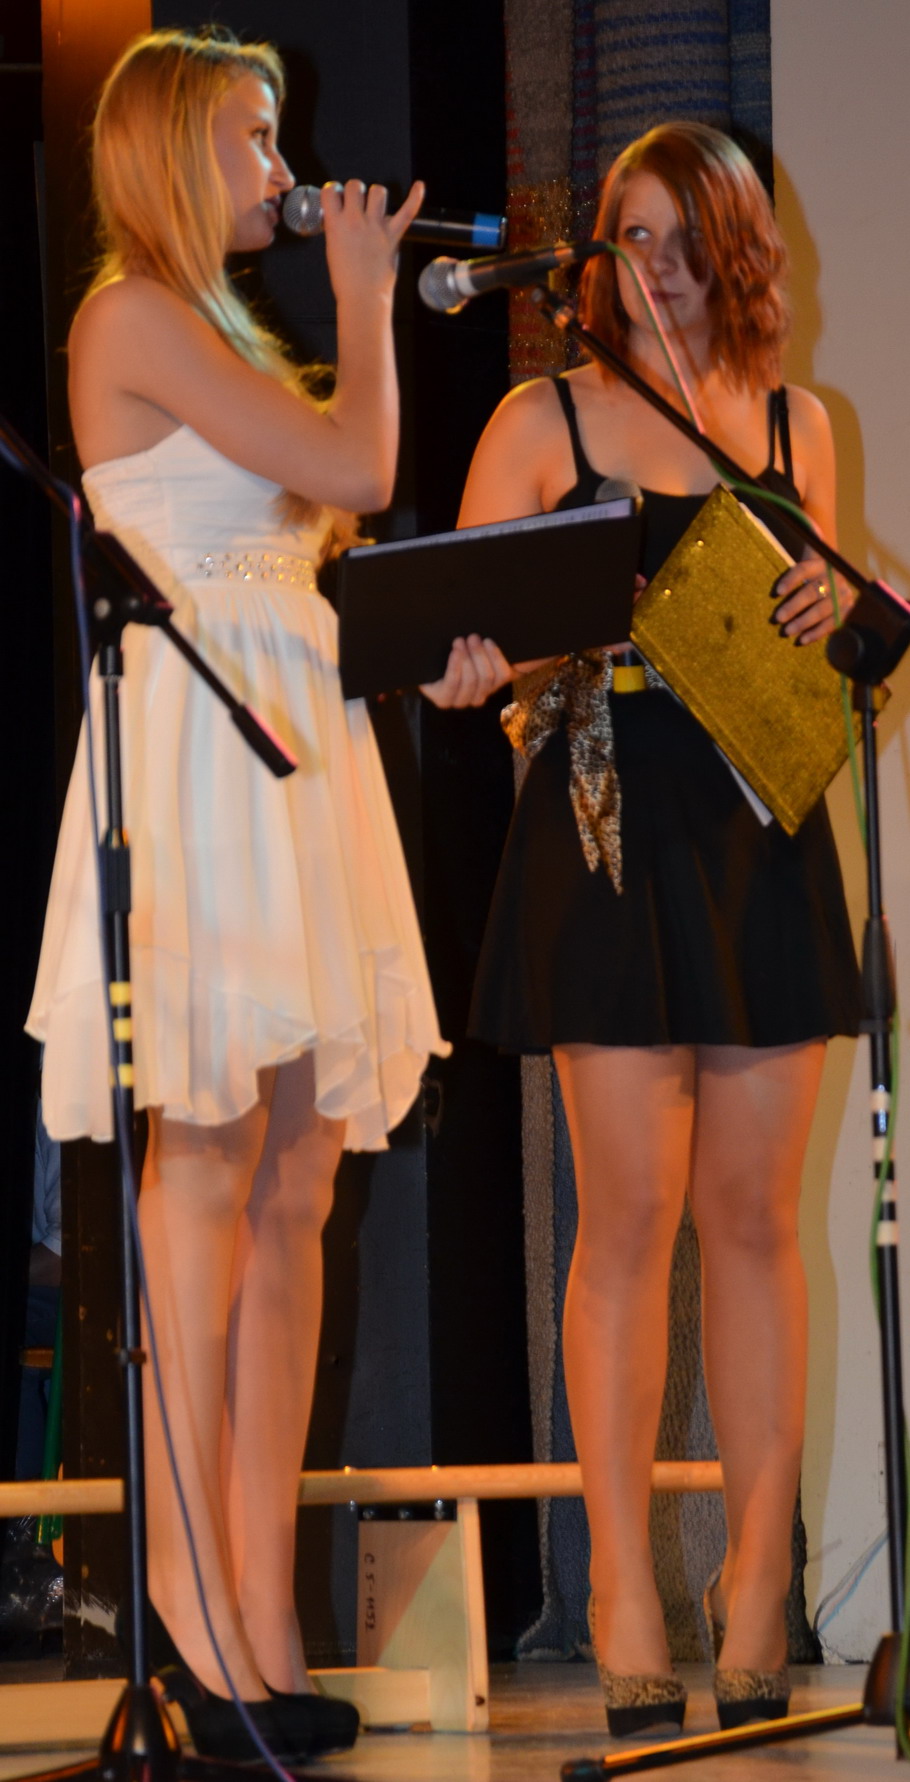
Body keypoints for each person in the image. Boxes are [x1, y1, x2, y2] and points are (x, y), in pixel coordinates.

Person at [26, 25, 452, 1764]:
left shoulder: (225, 333)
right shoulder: (131, 317)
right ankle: (186, 1612)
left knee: (296, 1188)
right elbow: (357, 469)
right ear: (168, 151)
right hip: (199, 762)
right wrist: (366, 291)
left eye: (279, 137)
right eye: (254, 138)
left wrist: (431, 649)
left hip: (289, 749)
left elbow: (324, 546)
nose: (284, 168)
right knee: (202, 1170)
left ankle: (263, 1622)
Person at [450, 121, 861, 1737]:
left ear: (733, 247)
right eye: (630, 235)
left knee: (754, 1224)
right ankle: (622, 1584)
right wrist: (475, 661)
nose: (657, 267)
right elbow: (466, 639)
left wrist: (835, 608)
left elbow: (819, 636)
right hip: (603, 832)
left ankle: (756, 1582)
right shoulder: (537, 418)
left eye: (684, 238)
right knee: (625, 1220)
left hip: (760, 834)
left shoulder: (793, 423)